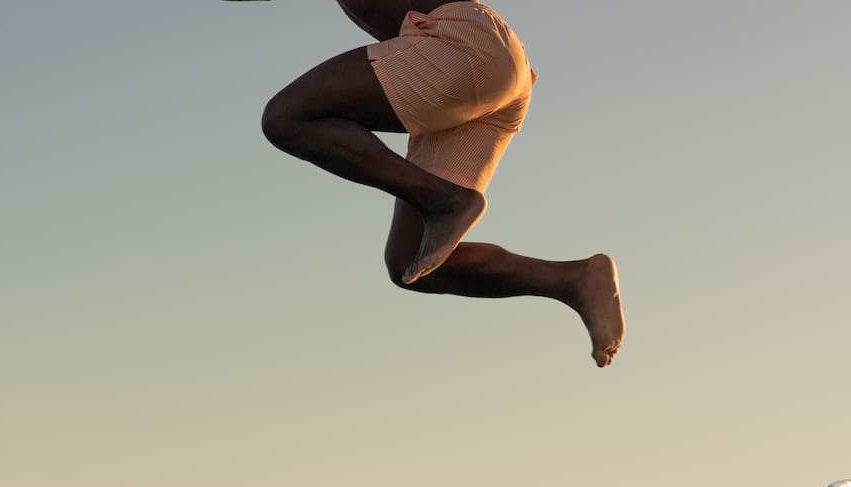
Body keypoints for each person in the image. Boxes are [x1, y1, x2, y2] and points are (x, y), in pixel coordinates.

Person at [245, 0, 627, 367]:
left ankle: (443, 200)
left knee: (288, 118)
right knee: (412, 261)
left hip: (463, 46)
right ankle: (574, 279)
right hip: (484, 68)